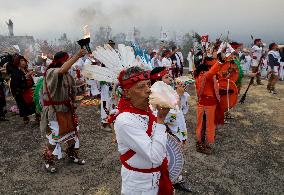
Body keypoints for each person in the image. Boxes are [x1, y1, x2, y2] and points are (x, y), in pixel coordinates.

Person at [114, 66, 173, 195]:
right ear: (127, 93)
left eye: (148, 84)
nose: (148, 90)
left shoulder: (149, 109)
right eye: (141, 87)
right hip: (139, 184)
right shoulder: (125, 121)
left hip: (156, 177)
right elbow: (155, 157)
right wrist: (161, 120)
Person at [41, 49, 87, 173]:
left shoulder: (67, 75)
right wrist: (77, 55)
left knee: (73, 133)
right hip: (55, 112)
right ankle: (48, 160)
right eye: (67, 60)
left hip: (67, 110)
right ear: (61, 60)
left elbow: (72, 89)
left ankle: (71, 155)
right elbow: (61, 70)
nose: (69, 63)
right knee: (55, 138)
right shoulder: (51, 71)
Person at [150, 67, 192, 193]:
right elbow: (166, 116)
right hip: (167, 135)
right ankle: (167, 182)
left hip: (177, 132)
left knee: (176, 156)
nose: (171, 79)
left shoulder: (169, 93)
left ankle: (176, 179)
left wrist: (181, 95)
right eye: (167, 77)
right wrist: (177, 96)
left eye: (170, 76)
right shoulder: (154, 97)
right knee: (167, 158)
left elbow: (182, 111)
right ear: (158, 81)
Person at [7, 54, 38, 124]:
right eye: (21, 60)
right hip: (20, 91)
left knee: (32, 104)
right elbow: (16, 80)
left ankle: (36, 117)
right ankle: (26, 118)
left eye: (24, 60)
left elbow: (30, 80)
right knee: (23, 105)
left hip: (28, 90)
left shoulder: (26, 69)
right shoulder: (15, 71)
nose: (23, 62)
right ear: (17, 62)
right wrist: (26, 76)